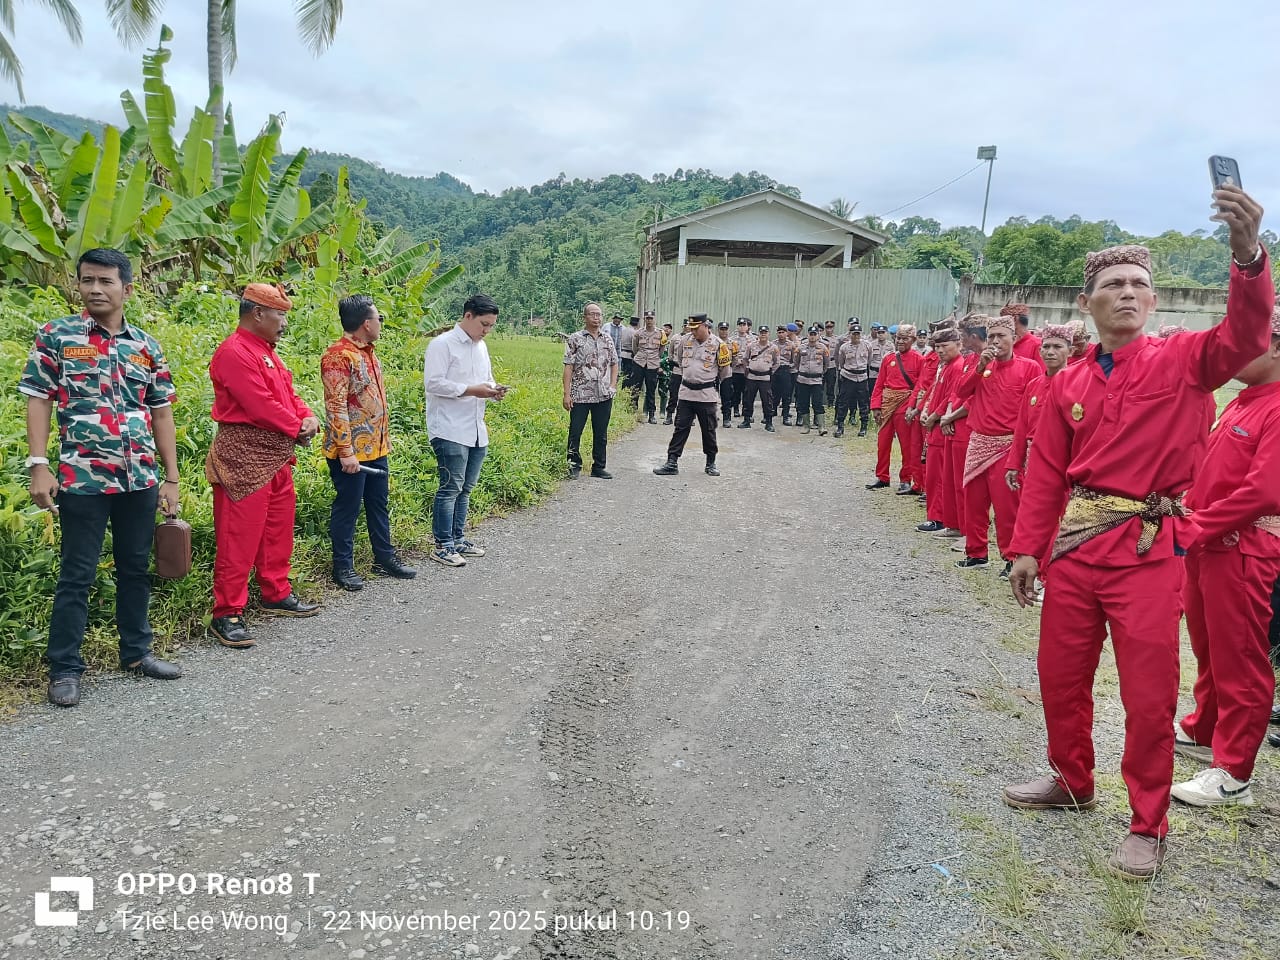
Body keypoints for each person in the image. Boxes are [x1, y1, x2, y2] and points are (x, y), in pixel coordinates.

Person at [1004, 183, 1272, 881]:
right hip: (1075, 550)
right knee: (1059, 677)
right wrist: (1027, 550)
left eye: (1139, 285)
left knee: (1148, 695)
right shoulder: (1068, 386)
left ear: (1153, 303)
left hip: (1152, 552)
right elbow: (1045, 477)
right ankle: (1071, 780)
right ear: (1087, 302)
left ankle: (1147, 822)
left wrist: (1247, 256)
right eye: (1113, 284)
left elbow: (1244, 336)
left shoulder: (1185, 359)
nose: (1127, 292)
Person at [21, 248, 183, 706]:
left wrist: (170, 478)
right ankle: (66, 669)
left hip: (139, 478)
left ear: (127, 289)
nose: (94, 289)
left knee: (136, 568)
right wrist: (39, 465)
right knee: (77, 573)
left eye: (105, 281)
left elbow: (161, 411)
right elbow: (38, 399)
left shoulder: (145, 346)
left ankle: (136, 653)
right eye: (87, 280)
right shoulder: (58, 336)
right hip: (82, 477)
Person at [1171, 305, 1280, 808]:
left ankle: (1233, 773)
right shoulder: (1245, 401)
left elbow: (1263, 493)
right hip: (1210, 541)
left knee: (1240, 657)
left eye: (1249, 340)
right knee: (1209, 645)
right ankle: (1203, 727)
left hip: (1242, 546)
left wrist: (1195, 525)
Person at [207, 283, 321, 649]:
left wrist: (307, 416)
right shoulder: (234, 352)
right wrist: (296, 427)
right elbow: (258, 405)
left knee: (277, 530)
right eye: (280, 314)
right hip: (242, 458)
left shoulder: (268, 352)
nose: (284, 322)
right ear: (257, 313)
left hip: (276, 455)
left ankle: (276, 592)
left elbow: (288, 396)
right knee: (237, 538)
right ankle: (227, 613)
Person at [320, 295, 416, 591]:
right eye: (379, 318)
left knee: (378, 504)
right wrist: (346, 452)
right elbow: (335, 406)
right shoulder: (338, 355)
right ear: (366, 323)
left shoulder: (368, 352)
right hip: (350, 453)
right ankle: (343, 567)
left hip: (376, 447)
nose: (380, 323)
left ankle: (384, 558)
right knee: (348, 508)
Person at [953, 314, 1040, 573]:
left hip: (1008, 445)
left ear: (1014, 338)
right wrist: (980, 368)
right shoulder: (977, 364)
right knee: (974, 501)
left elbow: (1033, 408)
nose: (996, 341)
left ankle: (1011, 557)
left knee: (1007, 507)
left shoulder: (1029, 368)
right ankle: (976, 552)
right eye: (991, 337)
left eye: (1001, 336)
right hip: (978, 440)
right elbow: (960, 393)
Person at [424, 294, 507, 567]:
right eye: (484, 324)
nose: (486, 331)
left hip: (475, 428)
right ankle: (443, 544)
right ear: (468, 316)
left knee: (466, 488)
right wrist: (472, 390)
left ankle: (458, 538)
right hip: (449, 428)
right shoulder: (443, 344)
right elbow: (434, 384)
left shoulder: (481, 347)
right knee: (450, 487)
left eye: (491, 326)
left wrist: (493, 390)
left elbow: (486, 379)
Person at [654, 315, 731, 476]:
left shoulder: (719, 345)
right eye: (691, 328)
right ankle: (671, 462)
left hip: (706, 395)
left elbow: (724, 372)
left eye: (696, 328)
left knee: (709, 430)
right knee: (680, 428)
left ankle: (711, 463)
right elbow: (681, 360)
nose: (693, 331)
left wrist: (706, 380)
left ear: (705, 326)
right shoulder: (685, 340)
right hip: (686, 393)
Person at [1004, 323, 1073, 495]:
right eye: (1046, 347)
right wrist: (1014, 464)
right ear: (1040, 351)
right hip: (1033, 458)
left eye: (1057, 347)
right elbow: (1022, 427)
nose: (1050, 352)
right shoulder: (1034, 385)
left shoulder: (1078, 383)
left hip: (1065, 459)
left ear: (1070, 351)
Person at [916, 327, 964, 533]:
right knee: (934, 473)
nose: (940, 350)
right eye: (937, 347)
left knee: (939, 476)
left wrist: (934, 415)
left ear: (959, 344)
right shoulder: (945, 366)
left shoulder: (957, 366)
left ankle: (939, 517)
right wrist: (925, 411)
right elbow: (934, 392)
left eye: (945, 346)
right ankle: (937, 515)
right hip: (934, 424)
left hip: (941, 424)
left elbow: (951, 397)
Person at [563, 302, 619, 479]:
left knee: (601, 432)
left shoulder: (607, 338)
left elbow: (614, 363)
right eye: (593, 314)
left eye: (599, 315)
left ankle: (599, 466)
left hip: (603, 394)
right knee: (575, 431)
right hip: (580, 394)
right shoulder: (575, 338)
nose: (597, 318)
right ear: (584, 317)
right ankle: (573, 464)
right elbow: (568, 367)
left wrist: (612, 385)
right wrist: (566, 394)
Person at [867, 325, 924, 493]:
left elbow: (921, 386)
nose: (900, 341)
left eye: (904, 338)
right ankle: (882, 477)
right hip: (886, 404)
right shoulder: (888, 358)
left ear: (912, 340)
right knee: (883, 443)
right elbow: (879, 384)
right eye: (898, 338)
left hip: (905, 405)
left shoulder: (919, 360)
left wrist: (913, 407)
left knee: (906, 445)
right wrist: (876, 406)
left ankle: (905, 479)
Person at [833, 319, 873, 438]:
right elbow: (841, 362)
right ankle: (840, 427)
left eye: (858, 334)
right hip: (848, 377)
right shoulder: (844, 347)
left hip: (862, 377)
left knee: (863, 402)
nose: (856, 336)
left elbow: (869, 361)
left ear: (861, 334)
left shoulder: (867, 345)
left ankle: (864, 427)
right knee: (843, 402)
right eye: (854, 334)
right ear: (850, 334)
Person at [739, 325, 779, 432]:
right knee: (748, 399)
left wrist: (770, 371)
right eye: (761, 332)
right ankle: (747, 420)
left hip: (765, 378)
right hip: (752, 377)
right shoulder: (751, 346)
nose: (763, 334)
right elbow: (745, 359)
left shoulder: (773, 347)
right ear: (759, 333)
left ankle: (768, 422)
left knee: (767, 401)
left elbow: (777, 363)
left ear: (768, 334)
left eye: (765, 332)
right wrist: (747, 369)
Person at [794, 325, 831, 435]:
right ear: (808, 335)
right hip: (803, 380)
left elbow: (826, 364)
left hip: (816, 381)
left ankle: (821, 427)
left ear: (818, 335)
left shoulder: (823, 348)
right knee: (803, 403)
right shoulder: (800, 348)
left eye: (815, 334)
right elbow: (796, 362)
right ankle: (806, 426)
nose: (813, 337)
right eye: (811, 334)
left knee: (817, 403)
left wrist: (818, 372)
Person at [632, 312, 663, 424]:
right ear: (645, 319)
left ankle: (651, 414)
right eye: (647, 318)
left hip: (652, 364)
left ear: (654, 319)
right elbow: (634, 347)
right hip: (639, 362)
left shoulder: (660, 333)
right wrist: (639, 356)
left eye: (651, 318)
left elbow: (661, 349)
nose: (649, 320)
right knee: (636, 387)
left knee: (651, 389)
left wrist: (656, 359)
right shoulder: (638, 333)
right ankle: (633, 412)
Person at [1005, 303, 1046, 371]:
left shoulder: (1038, 344)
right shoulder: (1006, 343)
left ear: (1014, 319)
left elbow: (1041, 374)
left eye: (1004, 320)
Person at [772, 325, 798, 426]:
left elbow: (794, 359)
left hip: (786, 370)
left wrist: (789, 367)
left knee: (786, 394)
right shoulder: (773, 344)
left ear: (787, 333)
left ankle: (786, 416)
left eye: (783, 332)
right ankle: (772, 412)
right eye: (779, 332)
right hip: (775, 370)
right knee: (774, 393)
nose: (781, 334)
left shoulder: (791, 345)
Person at [662, 319, 687, 426]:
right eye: (685, 325)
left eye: (689, 326)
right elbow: (670, 353)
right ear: (683, 326)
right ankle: (669, 416)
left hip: (688, 372)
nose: (687, 327)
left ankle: (684, 417)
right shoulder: (675, 338)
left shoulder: (694, 339)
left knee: (686, 396)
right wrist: (672, 362)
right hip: (677, 370)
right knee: (673, 394)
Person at [716, 321, 740, 428]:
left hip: (727, 373)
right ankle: (712, 416)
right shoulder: (713, 342)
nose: (724, 331)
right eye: (722, 329)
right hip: (713, 373)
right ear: (718, 330)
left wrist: (730, 369)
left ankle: (726, 418)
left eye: (725, 329)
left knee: (726, 396)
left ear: (728, 330)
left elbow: (735, 359)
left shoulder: (732, 344)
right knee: (712, 396)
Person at [731, 318, 753, 419]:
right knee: (736, 391)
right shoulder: (732, 339)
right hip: (735, 369)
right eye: (740, 325)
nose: (742, 327)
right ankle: (735, 409)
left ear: (747, 326)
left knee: (747, 392)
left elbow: (754, 354)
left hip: (747, 370)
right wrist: (736, 361)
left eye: (744, 325)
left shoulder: (752, 340)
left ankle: (745, 410)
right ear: (737, 326)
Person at [618, 315, 638, 393]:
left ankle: (623, 390)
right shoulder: (634, 332)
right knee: (630, 375)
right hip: (630, 355)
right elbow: (634, 345)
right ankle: (627, 390)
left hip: (623, 353)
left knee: (624, 373)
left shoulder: (624, 330)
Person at [822, 320, 840, 406]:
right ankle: (819, 402)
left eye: (831, 327)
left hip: (832, 364)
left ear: (833, 328)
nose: (829, 329)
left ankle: (830, 403)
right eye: (827, 327)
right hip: (821, 365)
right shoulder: (821, 338)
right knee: (820, 385)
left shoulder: (837, 339)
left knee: (831, 385)